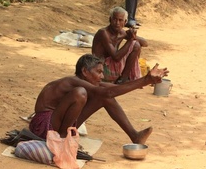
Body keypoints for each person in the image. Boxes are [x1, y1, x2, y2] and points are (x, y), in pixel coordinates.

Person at [29, 54, 169, 145]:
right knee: (81, 93)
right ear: (84, 71)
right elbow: (107, 90)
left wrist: (146, 80)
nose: (101, 76)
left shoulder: (89, 83)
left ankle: (135, 136)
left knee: (104, 97)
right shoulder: (72, 81)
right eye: (99, 72)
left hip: (59, 123)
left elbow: (111, 90)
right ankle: (63, 138)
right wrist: (144, 80)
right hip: (43, 125)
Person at [92, 6, 147, 84]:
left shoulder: (122, 33)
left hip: (112, 69)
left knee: (136, 44)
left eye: (120, 20)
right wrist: (130, 39)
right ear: (110, 19)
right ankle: (123, 79)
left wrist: (133, 35)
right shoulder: (103, 33)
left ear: (125, 22)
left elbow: (145, 43)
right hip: (101, 70)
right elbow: (116, 57)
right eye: (115, 19)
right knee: (134, 44)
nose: (117, 23)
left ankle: (123, 78)